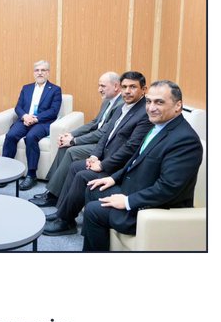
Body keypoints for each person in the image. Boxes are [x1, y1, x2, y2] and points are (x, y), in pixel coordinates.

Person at [80, 80, 203, 251]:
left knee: (94, 211)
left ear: (178, 105)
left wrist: (128, 201)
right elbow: (135, 160)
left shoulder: (185, 141)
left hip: (156, 208)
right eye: (149, 101)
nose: (151, 108)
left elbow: (168, 188)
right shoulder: (158, 126)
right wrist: (113, 178)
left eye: (159, 102)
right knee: (93, 187)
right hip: (137, 188)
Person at [41, 72, 150, 235]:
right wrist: (94, 156)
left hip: (118, 166)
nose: (127, 91)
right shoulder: (121, 107)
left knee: (82, 175)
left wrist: (103, 164)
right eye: (125, 87)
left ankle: (66, 221)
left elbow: (130, 148)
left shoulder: (144, 113)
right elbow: (106, 135)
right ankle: (62, 213)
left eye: (133, 87)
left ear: (143, 90)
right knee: (75, 167)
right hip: (105, 156)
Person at [30, 71, 122, 206]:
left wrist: (74, 141)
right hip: (96, 140)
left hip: (104, 145)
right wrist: (71, 134)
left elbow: (103, 132)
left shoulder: (120, 105)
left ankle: (53, 196)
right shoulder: (107, 101)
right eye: (98, 86)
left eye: (103, 86)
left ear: (116, 86)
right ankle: (53, 191)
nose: (99, 89)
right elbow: (94, 123)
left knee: (71, 151)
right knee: (63, 147)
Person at [1, 60, 62, 190]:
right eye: (37, 70)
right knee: (11, 135)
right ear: (34, 73)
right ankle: (6, 170)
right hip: (25, 119)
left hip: (42, 122)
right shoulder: (26, 88)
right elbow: (18, 107)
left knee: (31, 137)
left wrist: (36, 118)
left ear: (48, 73)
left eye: (43, 70)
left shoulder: (55, 90)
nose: (40, 73)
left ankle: (31, 175)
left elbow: (53, 111)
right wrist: (24, 116)